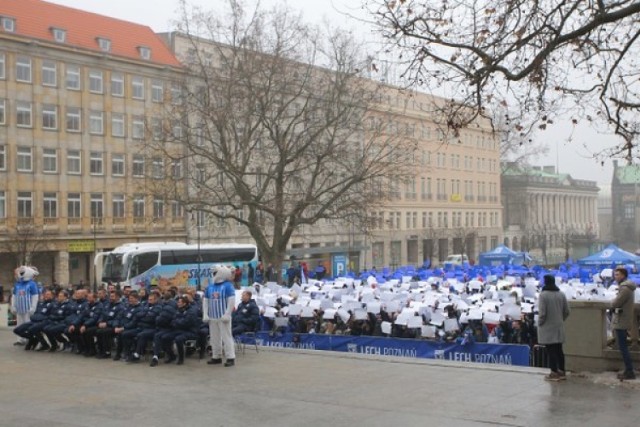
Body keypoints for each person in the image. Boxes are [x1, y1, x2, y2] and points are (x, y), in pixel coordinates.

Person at [538, 274, 570, 381]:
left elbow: (542, 313)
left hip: (547, 326)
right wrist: (560, 320)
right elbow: (567, 311)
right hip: (559, 325)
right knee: (559, 350)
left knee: (550, 350)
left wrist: (540, 323)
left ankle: (554, 371)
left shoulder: (543, 295)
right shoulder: (561, 294)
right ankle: (562, 370)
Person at [203, 265, 236, 367]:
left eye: (215, 273)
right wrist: (205, 314)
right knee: (214, 338)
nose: (213, 275)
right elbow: (205, 301)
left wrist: (227, 314)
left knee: (226, 337)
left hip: (223, 317)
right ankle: (216, 356)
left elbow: (231, 301)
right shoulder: (209, 287)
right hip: (213, 317)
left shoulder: (228, 286)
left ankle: (230, 357)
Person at [611, 267, 636, 380]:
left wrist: (612, 302)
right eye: (615, 274)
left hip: (622, 320)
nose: (615, 277)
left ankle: (629, 371)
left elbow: (616, 303)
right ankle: (628, 370)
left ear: (623, 275)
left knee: (623, 347)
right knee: (623, 346)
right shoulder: (627, 287)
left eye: (617, 275)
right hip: (625, 319)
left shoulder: (625, 288)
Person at [10, 266, 40, 345]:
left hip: (28, 308)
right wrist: (13, 306)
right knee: (19, 324)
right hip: (19, 308)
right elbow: (14, 296)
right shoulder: (18, 284)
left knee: (27, 324)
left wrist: (33, 307)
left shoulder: (32, 284)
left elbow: (35, 296)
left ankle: (29, 339)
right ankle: (20, 340)